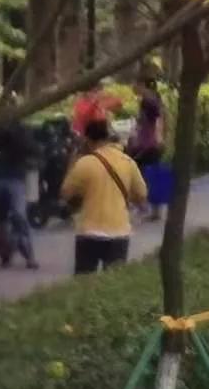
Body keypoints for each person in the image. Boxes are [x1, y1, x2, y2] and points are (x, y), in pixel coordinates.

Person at [61, 117, 146, 274]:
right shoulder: (127, 162)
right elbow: (141, 194)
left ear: (87, 139)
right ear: (108, 137)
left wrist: (72, 162)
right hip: (119, 232)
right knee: (114, 283)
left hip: (89, 232)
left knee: (83, 283)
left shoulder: (84, 163)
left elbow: (66, 193)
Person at [0, 119, 38, 268]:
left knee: (18, 216)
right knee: (1, 220)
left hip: (14, 178)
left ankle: (28, 256)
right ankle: (5, 254)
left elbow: (29, 148)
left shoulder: (21, 129)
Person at [127, 70, 168, 222]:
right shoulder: (153, 98)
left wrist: (157, 136)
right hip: (150, 143)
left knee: (137, 173)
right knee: (153, 173)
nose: (132, 87)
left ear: (142, 84)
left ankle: (142, 206)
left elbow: (157, 119)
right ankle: (152, 210)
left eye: (134, 83)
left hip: (148, 144)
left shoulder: (148, 100)